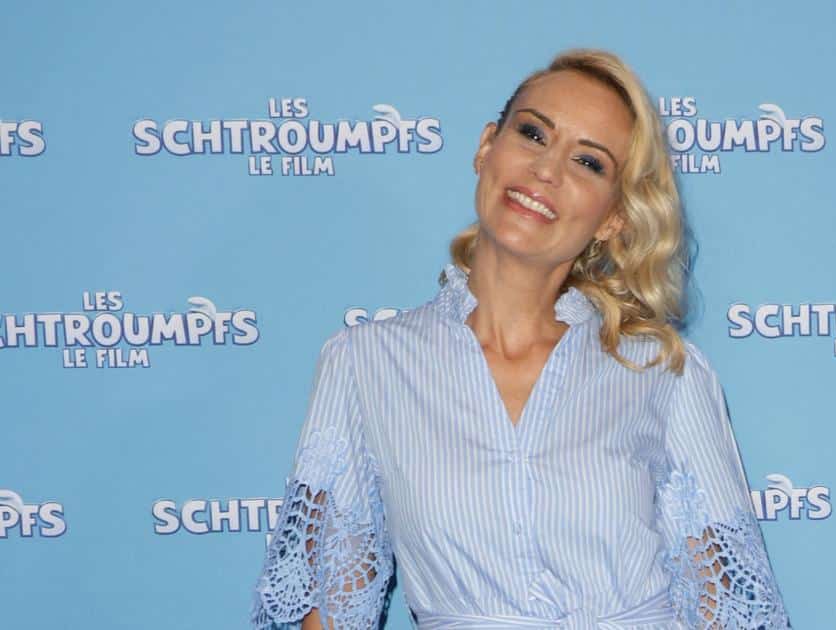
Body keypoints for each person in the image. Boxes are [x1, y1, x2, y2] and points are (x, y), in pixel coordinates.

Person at [250, 48, 791, 629]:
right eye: (533, 134)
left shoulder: (661, 370)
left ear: (614, 217)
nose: (547, 170)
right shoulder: (365, 363)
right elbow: (330, 610)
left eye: (588, 162)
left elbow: (730, 612)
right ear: (487, 146)